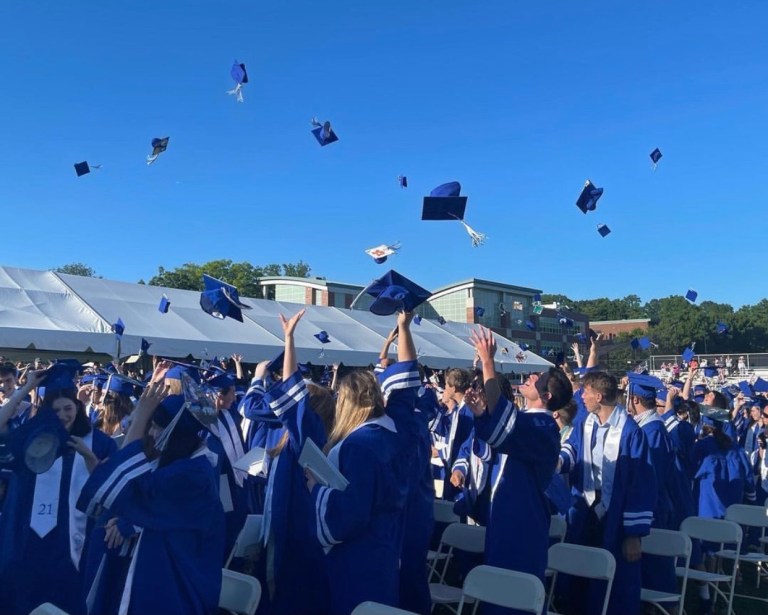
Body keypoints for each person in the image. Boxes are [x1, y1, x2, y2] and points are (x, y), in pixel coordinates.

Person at [77, 369, 225, 615]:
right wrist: (127, 520)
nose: (153, 434)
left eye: (156, 427)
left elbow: (127, 488)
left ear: (176, 433)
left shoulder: (191, 475)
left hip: (177, 582)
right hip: (167, 570)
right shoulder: (186, 464)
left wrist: (141, 416)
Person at [308, 310, 420, 615]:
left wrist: (315, 487)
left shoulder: (357, 446)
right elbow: (407, 386)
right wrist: (404, 328)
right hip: (387, 547)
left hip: (356, 556)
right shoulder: (397, 430)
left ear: (345, 402)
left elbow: (350, 512)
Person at [463, 326, 567, 615]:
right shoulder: (529, 421)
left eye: (538, 378)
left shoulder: (544, 428)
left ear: (546, 395)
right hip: (506, 515)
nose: (531, 376)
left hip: (522, 521)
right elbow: (499, 431)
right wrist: (483, 414)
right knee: (496, 590)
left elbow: (504, 419)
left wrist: (488, 362)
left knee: (514, 595)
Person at [0, 370, 117, 615]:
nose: (63, 416)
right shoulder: (30, 436)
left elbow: (110, 492)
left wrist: (89, 457)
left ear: (78, 406)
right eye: (55, 410)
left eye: (68, 408)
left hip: (71, 542)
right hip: (26, 537)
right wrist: (26, 387)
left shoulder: (100, 442)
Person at [250, 309, 334, 615]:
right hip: (288, 530)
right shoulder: (294, 438)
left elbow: (294, 394)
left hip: (295, 534)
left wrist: (289, 341)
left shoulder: (308, 435)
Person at [559, 371, 656, 615]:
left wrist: (634, 534)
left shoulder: (631, 432)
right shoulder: (585, 423)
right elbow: (573, 449)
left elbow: (641, 484)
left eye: (586, 391)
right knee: (580, 572)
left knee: (614, 582)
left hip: (617, 516)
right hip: (585, 510)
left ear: (599, 396)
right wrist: (558, 461)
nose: (582, 396)